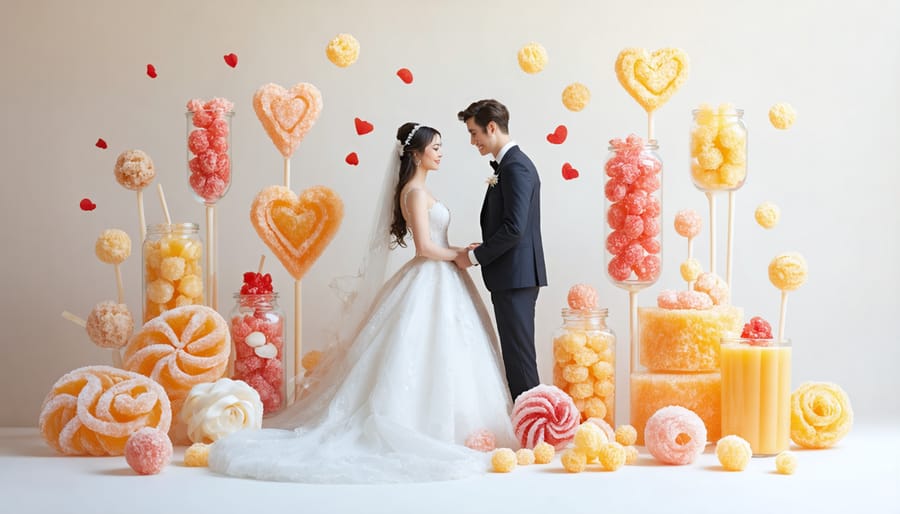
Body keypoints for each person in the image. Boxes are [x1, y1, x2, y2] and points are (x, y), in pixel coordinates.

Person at [208, 123, 516, 484]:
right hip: (434, 273)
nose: (440, 152)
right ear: (415, 153)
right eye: (435, 147)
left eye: (441, 146)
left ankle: (455, 424)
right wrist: (461, 255)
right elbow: (425, 248)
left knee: (446, 349)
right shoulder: (415, 193)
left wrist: (459, 254)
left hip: (444, 277)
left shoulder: (421, 190)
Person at [454, 99, 548, 402]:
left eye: (473, 132)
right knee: (516, 358)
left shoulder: (515, 167)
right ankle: (531, 427)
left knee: (520, 361)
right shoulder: (510, 165)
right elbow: (511, 227)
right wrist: (484, 246)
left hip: (516, 278)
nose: (472, 141)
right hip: (513, 275)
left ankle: (536, 433)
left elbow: (514, 228)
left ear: (491, 127)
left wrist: (472, 257)